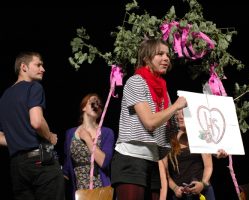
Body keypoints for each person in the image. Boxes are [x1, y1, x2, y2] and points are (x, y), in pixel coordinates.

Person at [110, 38, 187, 200]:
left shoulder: (163, 91)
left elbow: (173, 130)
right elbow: (150, 122)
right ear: (146, 58)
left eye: (167, 54)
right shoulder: (136, 82)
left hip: (153, 161)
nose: (166, 58)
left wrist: (212, 146)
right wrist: (175, 106)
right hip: (131, 160)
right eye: (160, 54)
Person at [0, 51, 65, 200]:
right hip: (40, 162)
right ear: (23, 67)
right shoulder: (33, 87)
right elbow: (36, 122)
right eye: (38, 65)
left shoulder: (4, 98)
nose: (43, 69)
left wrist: (19, 140)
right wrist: (49, 136)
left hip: (17, 167)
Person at [63, 93, 115, 200]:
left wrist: (87, 139)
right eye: (93, 102)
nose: (96, 105)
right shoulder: (70, 133)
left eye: (99, 104)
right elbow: (67, 166)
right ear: (83, 107)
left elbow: (104, 162)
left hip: (100, 189)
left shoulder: (106, 133)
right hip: (79, 190)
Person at [167, 109, 227, 200]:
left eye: (184, 114)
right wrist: (175, 188)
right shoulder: (169, 139)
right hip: (181, 195)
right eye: (176, 114)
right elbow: (165, 173)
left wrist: (202, 184)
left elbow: (208, 166)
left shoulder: (200, 135)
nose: (180, 117)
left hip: (203, 192)